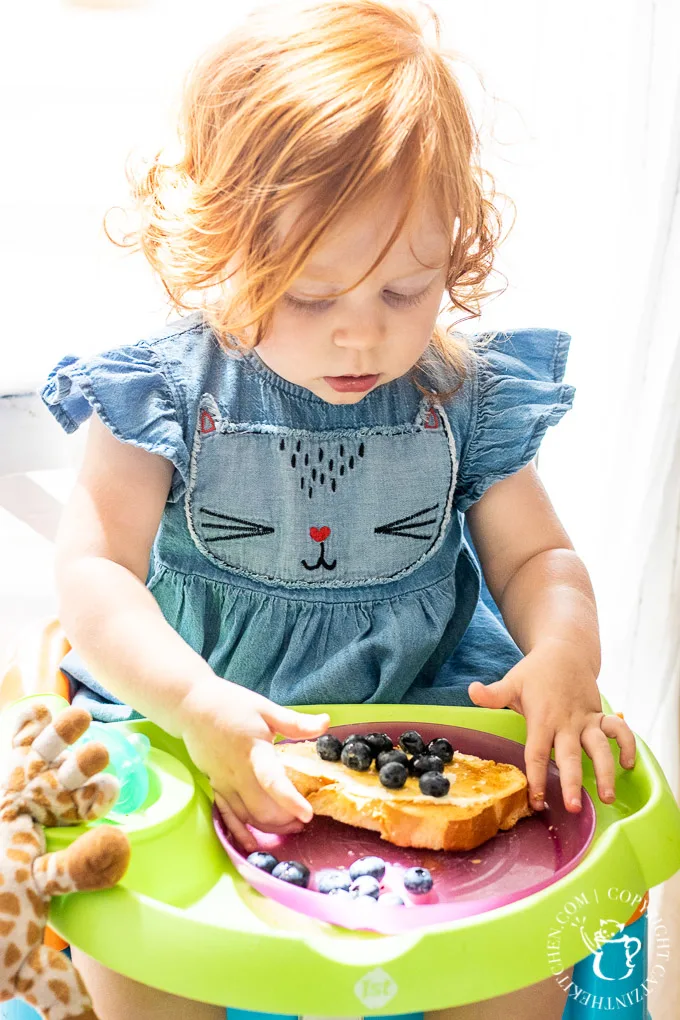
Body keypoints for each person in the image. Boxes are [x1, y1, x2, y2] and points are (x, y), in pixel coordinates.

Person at [39, 1, 636, 1017]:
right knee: (137, 952)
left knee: (515, 961)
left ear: (456, 245)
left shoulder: (460, 396)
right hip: (192, 718)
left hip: (423, 709)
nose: (361, 337)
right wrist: (189, 704)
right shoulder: (163, 395)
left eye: (404, 291)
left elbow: (537, 559)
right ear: (221, 249)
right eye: (311, 299)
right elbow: (93, 573)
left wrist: (564, 652)